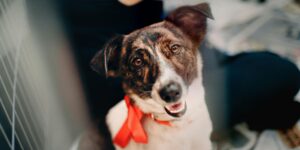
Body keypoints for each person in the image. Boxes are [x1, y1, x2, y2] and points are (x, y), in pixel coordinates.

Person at [57, 0, 300, 149]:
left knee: (265, 77)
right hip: (142, 108)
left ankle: (262, 109)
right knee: (280, 74)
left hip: (163, 70)